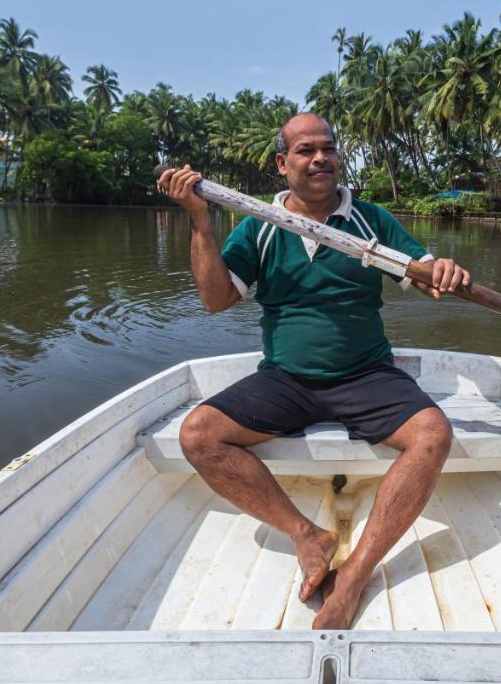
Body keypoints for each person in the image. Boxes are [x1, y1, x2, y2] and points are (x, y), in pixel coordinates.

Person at [157, 112, 470, 629]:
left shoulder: (371, 220)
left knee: (432, 434)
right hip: (286, 379)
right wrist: (198, 219)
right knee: (199, 435)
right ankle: (307, 535)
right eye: (305, 150)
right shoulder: (257, 225)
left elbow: (426, 275)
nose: (320, 158)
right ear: (283, 164)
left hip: (366, 374)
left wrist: (443, 270)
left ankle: (353, 577)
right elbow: (214, 300)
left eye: (328, 148)